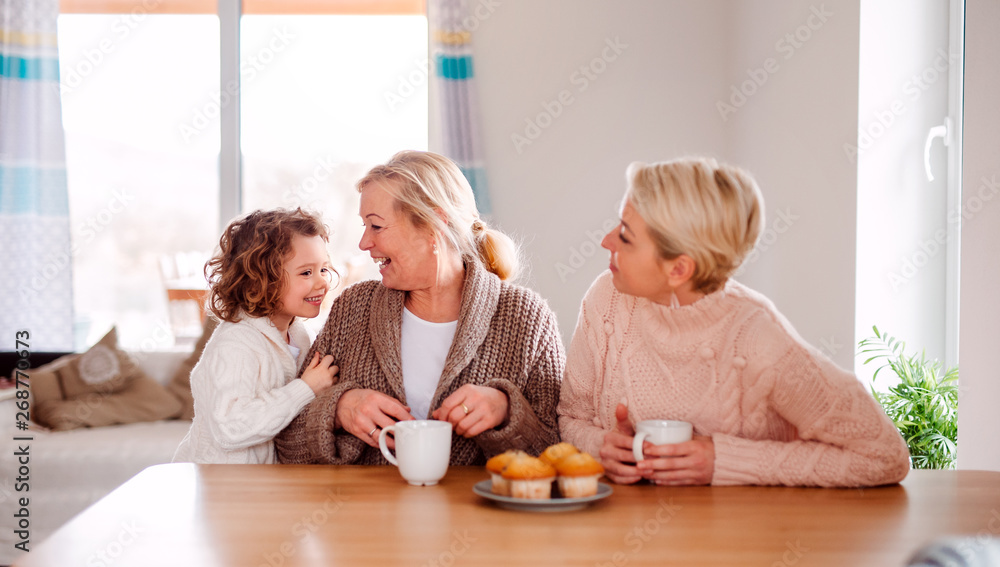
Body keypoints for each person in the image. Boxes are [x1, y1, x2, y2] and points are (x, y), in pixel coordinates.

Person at [558, 157, 911, 487]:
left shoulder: (758, 338)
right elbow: (569, 418)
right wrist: (600, 446)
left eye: (625, 235)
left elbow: (884, 456)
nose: (606, 241)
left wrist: (724, 461)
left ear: (679, 269)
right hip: (623, 537)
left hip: (737, 542)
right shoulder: (607, 299)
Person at [275, 151, 565, 465]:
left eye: (376, 226)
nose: (363, 243)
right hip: (364, 512)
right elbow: (286, 442)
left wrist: (507, 412)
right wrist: (338, 409)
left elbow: (559, 452)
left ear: (433, 225)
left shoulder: (527, 318)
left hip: (477, 514)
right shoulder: (353, 309)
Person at [173, 208, 340, 464]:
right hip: (220, 488)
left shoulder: (300, 336)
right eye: (306, 272)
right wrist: (305, 388)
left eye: (324, 269)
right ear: (262, 280)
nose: (322, 283)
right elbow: (230, 428)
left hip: (263, 487)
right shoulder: (237, 343)